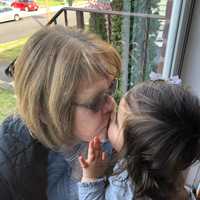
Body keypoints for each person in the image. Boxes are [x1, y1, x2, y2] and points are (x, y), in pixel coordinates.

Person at [0, 25, 121, 200]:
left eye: (111, 87)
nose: (111, 104)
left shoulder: (109, 129)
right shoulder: (9, 171)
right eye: (96, 101)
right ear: (47, 112)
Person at [78, 80, 200, 200]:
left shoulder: (126, 189)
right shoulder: (167, 166)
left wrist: (91, 177)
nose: (111, 111)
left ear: (135, 150)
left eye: (116, 121)